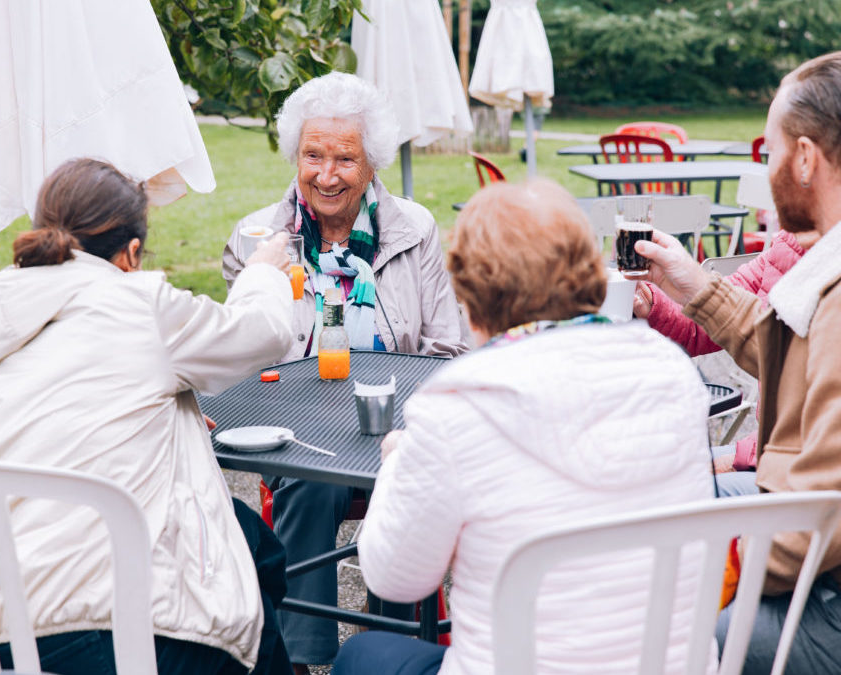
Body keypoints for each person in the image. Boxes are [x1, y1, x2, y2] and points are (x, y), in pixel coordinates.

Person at [0, 158, 295, 675]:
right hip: (115, 635)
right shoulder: (138, 304)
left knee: (252, 545)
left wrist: (166, 418)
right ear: (131, 254)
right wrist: (263, 273)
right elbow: (263, 330)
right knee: (242, 587)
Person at [333, 178, 717, 675]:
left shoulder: (456, 405)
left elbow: (394, 578)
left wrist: (395, 465)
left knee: (364, 655)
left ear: (470, 291)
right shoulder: (672, 372)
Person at [222, 72, 468, 672]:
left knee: (407, 476)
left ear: (372, 164)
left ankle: (400, 648)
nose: (326, 175)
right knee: (306, 483)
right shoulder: (258, 242)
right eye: (312, 155)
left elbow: (448, 350)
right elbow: (240, 364)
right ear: (294, 155)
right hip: (303, 432)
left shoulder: (414, 230)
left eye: (344, 159)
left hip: (397, 426)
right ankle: (303, 658)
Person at [636, 51, 841, 673]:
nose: (769, 168)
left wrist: (712, 570)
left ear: (805, 157)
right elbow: (789, 355)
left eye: (771, 152)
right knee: (659, 509)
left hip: (828, 597)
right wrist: (695, 286)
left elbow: (823, 514)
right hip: (803, 529)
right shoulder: (824, 265)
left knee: (654, 627)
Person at [633, 228, 817, 497]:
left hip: (808, 479)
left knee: (652, 495)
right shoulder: (793, 245)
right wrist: (651, 303)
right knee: (642, 476)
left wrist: (735, 460)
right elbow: (709, 322)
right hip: (771, 448)